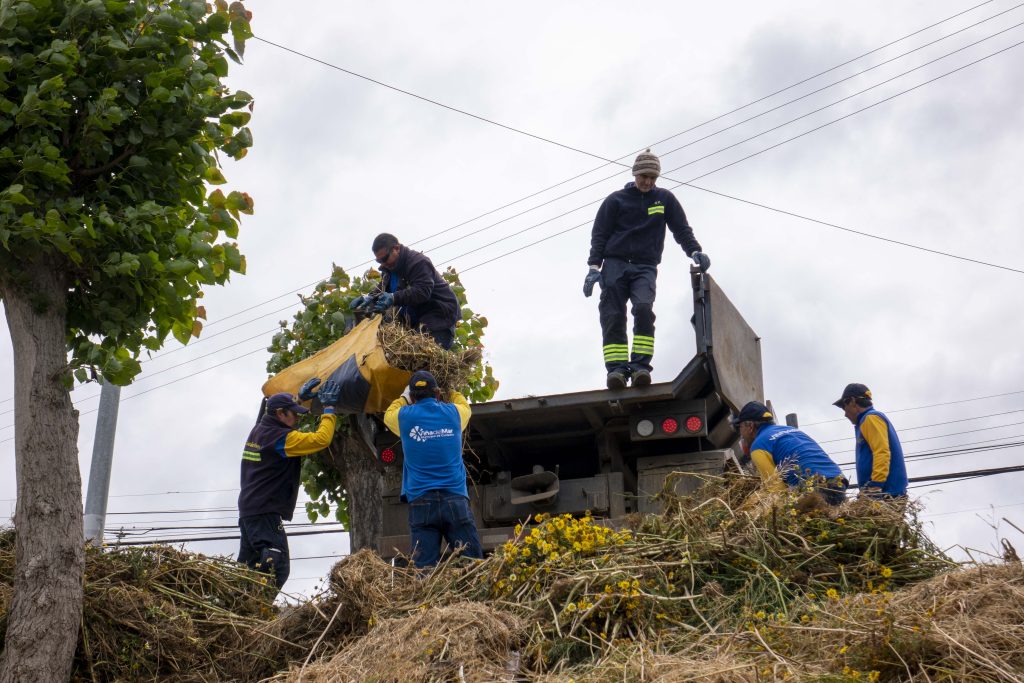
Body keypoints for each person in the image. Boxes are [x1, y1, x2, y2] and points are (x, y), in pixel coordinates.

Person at [584, 148, 711, 390]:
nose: (648, 182)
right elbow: (599, 235)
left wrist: (694, 251)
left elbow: (681, 229)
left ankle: (641, 367)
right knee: (613, 316)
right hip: (615, 264)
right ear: (635, 174)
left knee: (643, 308)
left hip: (645, 266)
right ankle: (617, 370)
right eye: (644, 176)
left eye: (653, 178)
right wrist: (593, 267)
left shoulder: (664, 200)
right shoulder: (615, 201)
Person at [237, 377, 341, 590]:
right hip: (265, 511)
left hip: (249, 511)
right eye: (293, 414)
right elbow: (321, 440)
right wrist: (329, 409)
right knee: (277, 565)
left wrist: (299, 399)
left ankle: (238, 607)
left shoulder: (259, 430)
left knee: (248, 569)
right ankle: (258, 609)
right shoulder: (282, 438)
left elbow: (282, 416)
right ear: (280, 414)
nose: (297, 419)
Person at [383, 370, 483, 567]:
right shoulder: (454, 413)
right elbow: (465, 406)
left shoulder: (404, 417)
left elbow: (388, 414)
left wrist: (403, 398)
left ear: (412, 397)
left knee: (424, 570)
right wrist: (451, 389)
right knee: (472, 565)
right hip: (454, 498)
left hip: (421, 502)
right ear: (437, 394)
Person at [351, 233, 460, 350]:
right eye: (379, 261)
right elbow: (382, 289)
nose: (383, 264)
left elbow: (422, 292)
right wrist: (368, 298)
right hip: (418, 323)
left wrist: (394, 298)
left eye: (385, 258)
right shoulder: (390, 269)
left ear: (396, 248)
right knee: (408, 361)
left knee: (424, 360)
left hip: (439, 320)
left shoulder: (418, 262)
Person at [731, 401, 848, 506]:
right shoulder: (793, 431)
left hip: (813, 489)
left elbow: (776, 491)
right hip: (838, 482)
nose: (740, 433)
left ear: (750, 426)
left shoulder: (759, 445)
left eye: (740, 426)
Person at [833, 383, 908, 499]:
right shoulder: (867, 420)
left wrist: (875, 486)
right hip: (881, 493)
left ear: (852, 401)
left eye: (844, 407)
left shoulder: (870, 418)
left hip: (886, 494)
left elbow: (881, 451)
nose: (845, 413)